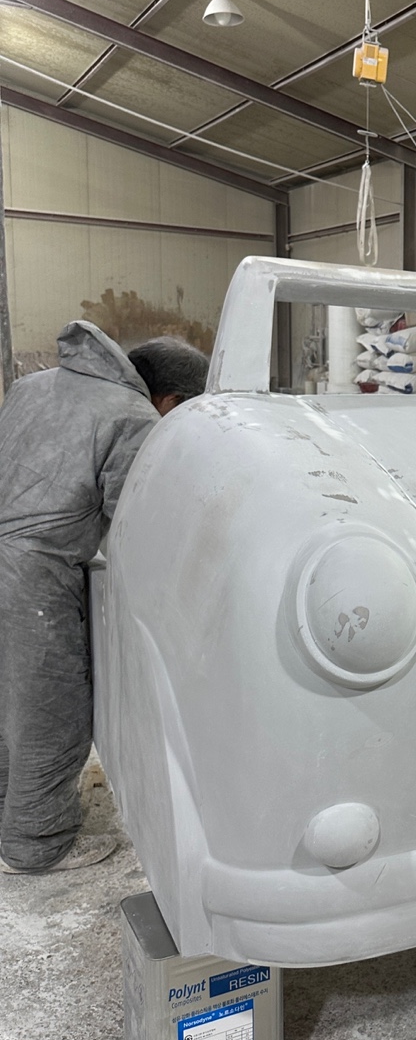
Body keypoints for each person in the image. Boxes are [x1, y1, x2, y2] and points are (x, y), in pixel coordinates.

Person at [0, 323, 209, 874]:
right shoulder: (134, 417)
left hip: (14, 557)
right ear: (170, 402)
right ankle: (36, 846)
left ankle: (8, 814)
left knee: (6, 701)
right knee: (51, 712)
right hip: (30, 575)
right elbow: (136, 524)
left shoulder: (36, 385)